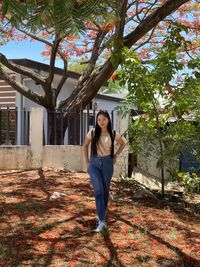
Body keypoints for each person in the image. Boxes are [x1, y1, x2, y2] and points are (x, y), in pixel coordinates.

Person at [83, 110, 126, 232]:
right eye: (99, 120)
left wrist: (116, 155)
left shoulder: (113, 133)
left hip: (107, 164)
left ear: (108, 120)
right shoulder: (92, 132)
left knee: (105, 190)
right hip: (94, 164)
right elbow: (85, 145)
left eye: (104, 119)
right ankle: (102, 222)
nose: (101, 122)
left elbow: (123, 143)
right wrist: (87, 162)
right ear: (97, 121)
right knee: (98, 191)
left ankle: (101, 214)